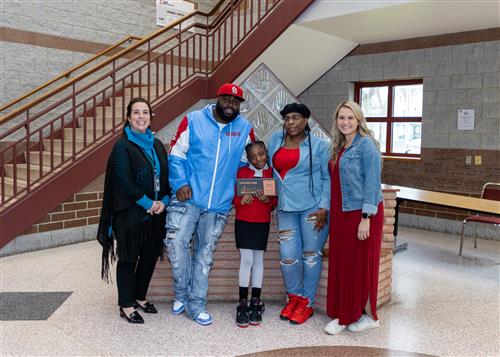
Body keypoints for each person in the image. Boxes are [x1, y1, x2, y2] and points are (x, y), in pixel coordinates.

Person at [165, 83, 254, 326]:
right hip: (188, 197)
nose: (231, 105)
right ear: (218, 99)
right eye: (227, 99)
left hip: (218, 205)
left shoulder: (245, 128)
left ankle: (196, 303)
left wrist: (240, 192)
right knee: (176, 246)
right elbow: (176, 154)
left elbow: (248, 164)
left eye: (236, 102)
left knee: (204, 255)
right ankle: (181, 294)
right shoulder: (193, 120)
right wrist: (180, 183)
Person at [97, 97, 171, 324]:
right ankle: (126, 305)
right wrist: (149, 203)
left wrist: (164, 201)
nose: (141, 116)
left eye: (145, 112)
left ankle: (139, 296)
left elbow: (165, 176)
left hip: (156, 213)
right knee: (128, 259)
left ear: (150, 117)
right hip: (130, 215)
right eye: (136, 113)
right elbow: (124, 181)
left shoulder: (157, 144)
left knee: (149, 257)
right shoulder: (122, 146)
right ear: (129, 118)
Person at [267, 102, 331, 325]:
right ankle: (293, 297)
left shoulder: (320, 146)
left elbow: (327, 177)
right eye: (287, 118)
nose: (291, 122)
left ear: (306, 120)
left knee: (311, 256)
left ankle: (307, 302)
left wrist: (325, 207)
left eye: (296, 118)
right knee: (287, 256)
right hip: (285, 207)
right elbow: (264, 166)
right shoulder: (275, 140)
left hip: (312, 208)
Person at [324, 100, 384, 335]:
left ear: (359, 119)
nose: (345, 122)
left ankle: (364, 316)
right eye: (341, 117)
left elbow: (372, 183)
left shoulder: (366, 145)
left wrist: (366, 217)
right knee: (344, 264)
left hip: (361, 215)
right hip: (341, 214)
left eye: (350, 117)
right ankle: (346, 311)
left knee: (359, 266)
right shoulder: (339, 146)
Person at [233, 141, 277, 328]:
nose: (258, 159)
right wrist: (243, 200)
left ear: (266, 153)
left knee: (258, 260)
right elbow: (234, 198)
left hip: (262, 222)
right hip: (243, 221)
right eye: (253, 156)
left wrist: (266, 200)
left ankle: (256, 302)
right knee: (247, 260)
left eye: (261, 154)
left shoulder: (271, 173)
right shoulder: (242, 173)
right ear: (248, 158)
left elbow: (274, 202)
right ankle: (243, 303)